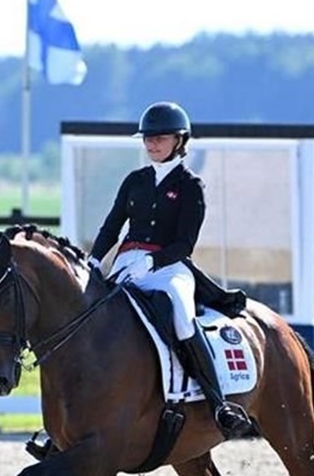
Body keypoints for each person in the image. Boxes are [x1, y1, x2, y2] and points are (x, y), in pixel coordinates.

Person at [88, 101, 254, 439]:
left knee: (181, 315)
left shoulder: (191, 185)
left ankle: (218, 402)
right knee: (89, 314)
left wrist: (152, 261)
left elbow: (185, 244)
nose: (152, 144)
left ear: (179, 140)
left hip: (168, 267)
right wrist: (93, 262)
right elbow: (111, 227)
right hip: (126, 263)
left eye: (160, 138)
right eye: (148, 139)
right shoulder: (135, 181)